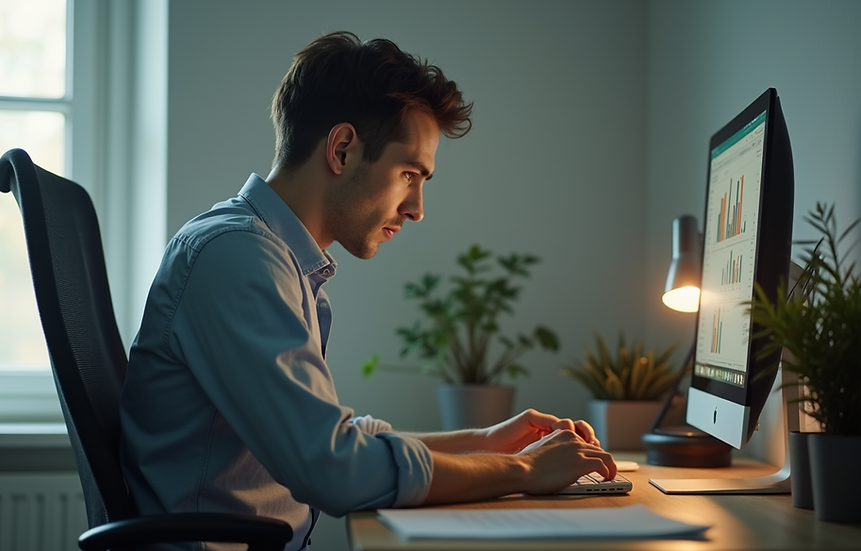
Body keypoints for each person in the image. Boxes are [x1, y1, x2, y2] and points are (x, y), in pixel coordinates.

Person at [119, 31, 616, 551]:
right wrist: (519, 470)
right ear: (342, 149)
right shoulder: (237, 257)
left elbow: (339, 440)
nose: (417, 207)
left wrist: (485, 443)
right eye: (408, 174)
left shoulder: (273, 259)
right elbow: (333, 469)